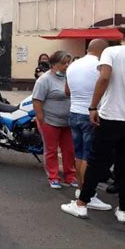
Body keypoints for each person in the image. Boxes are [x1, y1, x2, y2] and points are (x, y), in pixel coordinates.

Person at [61, 27, 125, 224]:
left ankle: (82, 203)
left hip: (111, 115)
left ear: (123, 37)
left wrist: (93, 107)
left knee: (96, 160)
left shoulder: (111, 52)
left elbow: (104, 78)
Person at [65, 39, 111, 210]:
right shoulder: (100, 65)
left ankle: (80, 189)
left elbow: (67, 91)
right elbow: (106, 85)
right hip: (91, 114)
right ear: (104, 51)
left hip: (74, 112)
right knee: (88, 156)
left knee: (79, 154)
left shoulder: (73, 65)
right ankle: (88, 195)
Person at [32, 51, 78, 189]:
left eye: (67, 63)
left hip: (68, 122)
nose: (66, 66)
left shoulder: (68, 77)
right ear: (54, 64)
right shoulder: (44, 80)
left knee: (69, 150)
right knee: (51, 150)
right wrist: (41, 119)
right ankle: (53, 176)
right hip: (50, 121)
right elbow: (37, 100)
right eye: (63, 63)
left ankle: (70, 176)